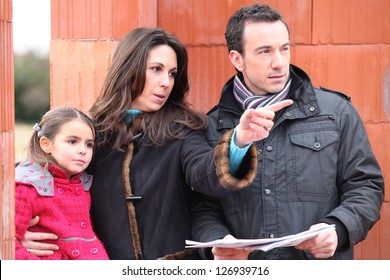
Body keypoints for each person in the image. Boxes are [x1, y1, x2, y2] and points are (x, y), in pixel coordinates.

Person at [20, 27, 293, 260]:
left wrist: (240, 140)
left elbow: (205, 172)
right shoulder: (94, 133)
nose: (166, 82)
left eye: (172, 73)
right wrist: (19, 236)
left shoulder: (183, 128)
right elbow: (51, 188)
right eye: (156, 69)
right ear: (129, 69)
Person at [191, 3, 385, 260]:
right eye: (264, 52)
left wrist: (338, 228)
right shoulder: (212, 127)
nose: (279, 63)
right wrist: (217, 242)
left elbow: (366, 185)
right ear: (237, 59)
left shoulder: (336, 112)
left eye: (284, 48)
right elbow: (203, 206)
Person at [15, 106, 109, 260]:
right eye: (72, 141)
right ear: (46, 144)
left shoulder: (84, 183)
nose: (83, 150)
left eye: (89, 144)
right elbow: (8, 244)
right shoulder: (27, 188)